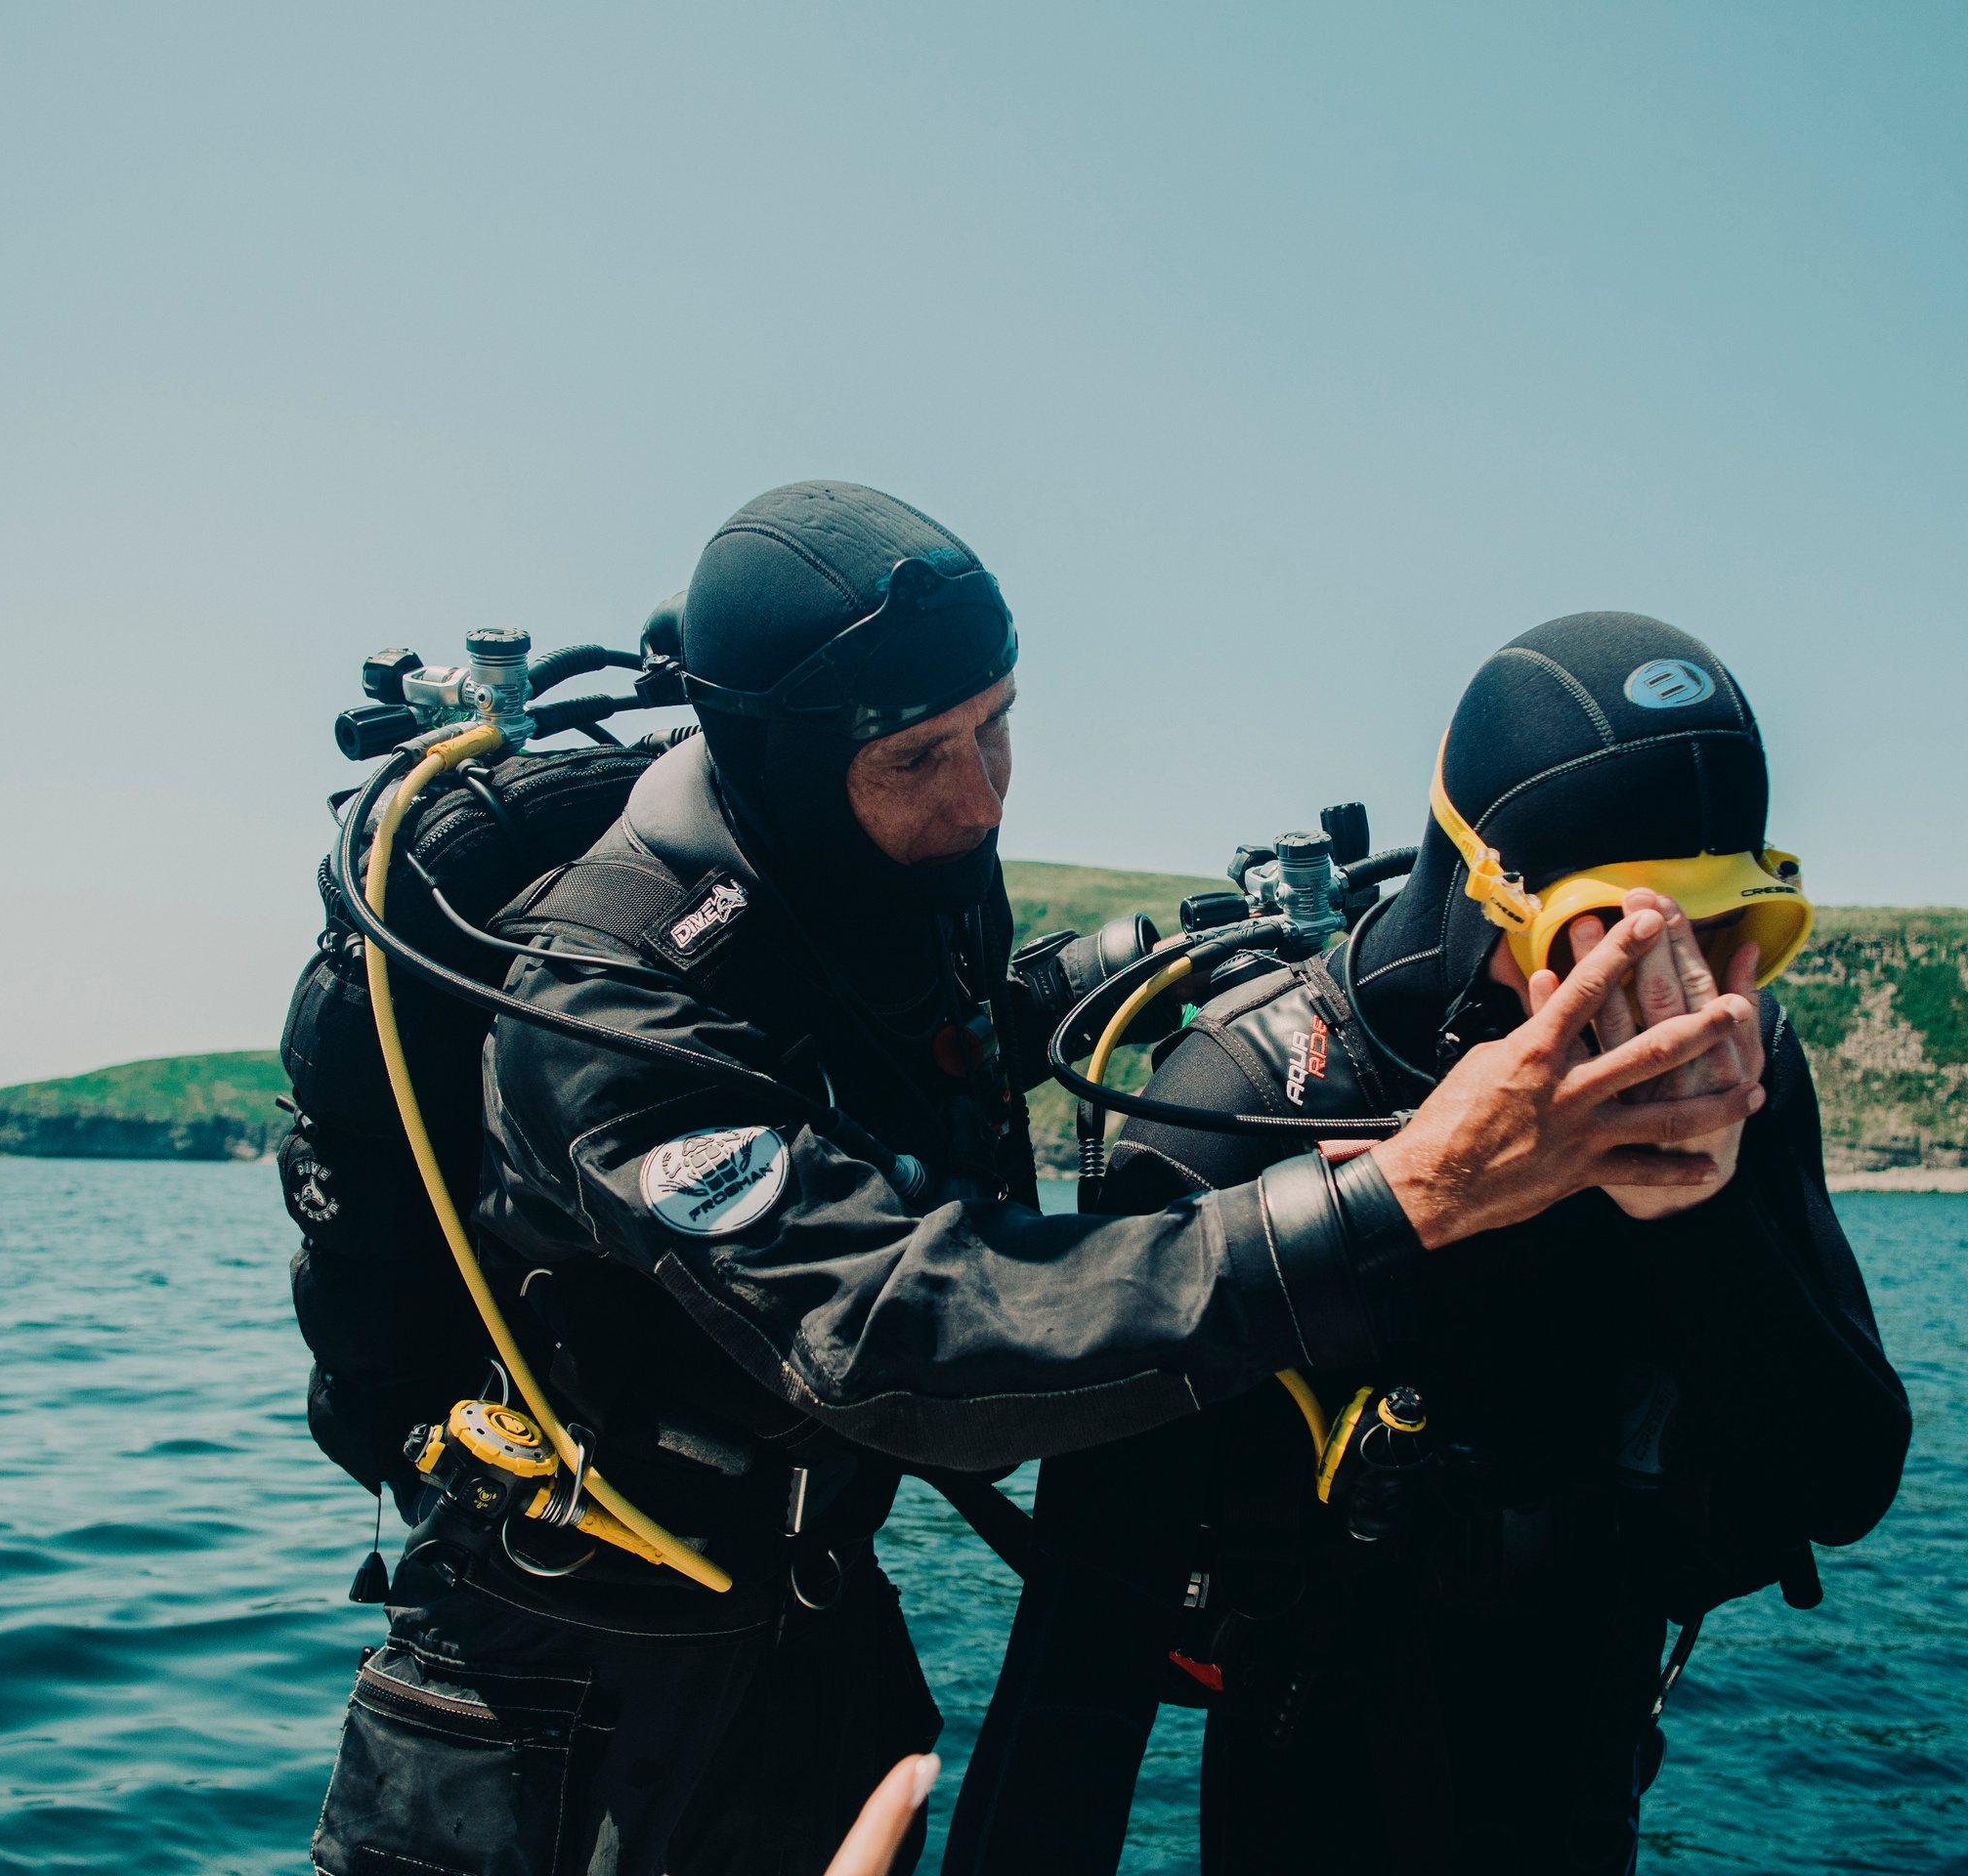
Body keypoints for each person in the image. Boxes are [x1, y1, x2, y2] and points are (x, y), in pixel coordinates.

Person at [306, 491, 1768, 1876]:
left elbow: (912, 1060)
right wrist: (1405, 1197)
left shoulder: (886, 876)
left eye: (1000, 730)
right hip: (562, 1693)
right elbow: (906, 1330)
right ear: (785, 760)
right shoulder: (603, 1011)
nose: (980, 797)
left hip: (809, 1638)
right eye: (922, 757)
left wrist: (1132, 976)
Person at [943, 613, 1912, 1876]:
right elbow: (1080, 1677)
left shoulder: (1735, 1063)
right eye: (1614, 937)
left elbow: (1843, 1479)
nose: (1685, 991)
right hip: (1305, 1788)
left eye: (1742, 927)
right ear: (1486, 895)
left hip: (1581, 1780)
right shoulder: (1240, 1110)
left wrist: (1699, 1207)